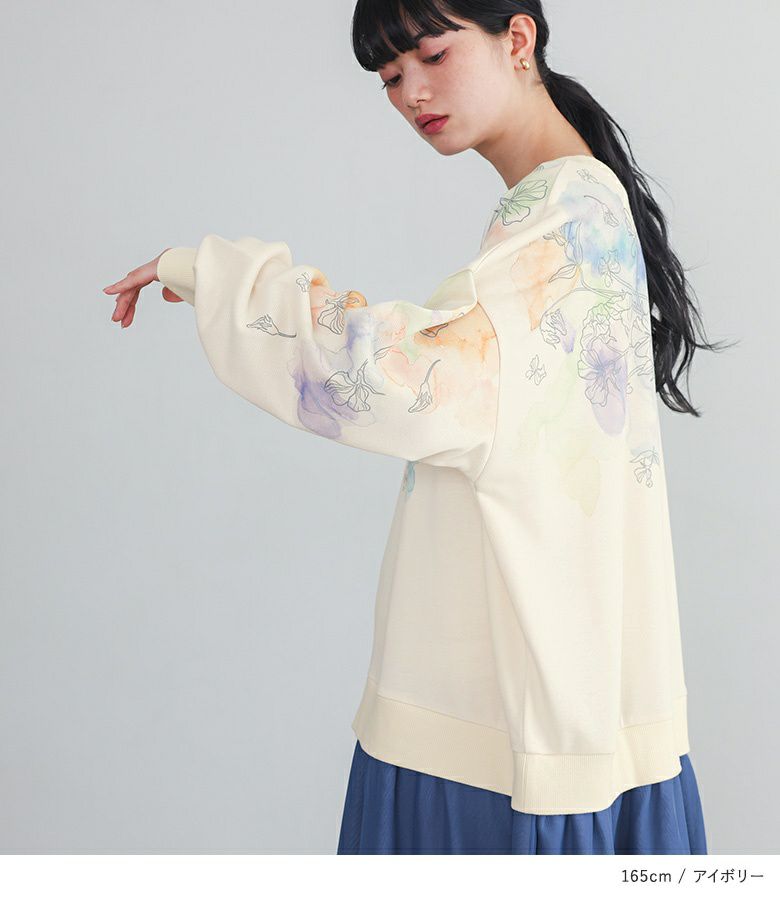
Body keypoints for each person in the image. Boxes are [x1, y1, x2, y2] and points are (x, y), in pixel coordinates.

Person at [103, 1, 725, 854]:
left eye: (431, 55)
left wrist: (223, 277)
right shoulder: (571, 207)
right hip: (535, 706)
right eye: (390, 77)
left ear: (517, 39)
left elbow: (405, 380)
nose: (411, 93)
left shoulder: (570, 218)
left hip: (497, 737)